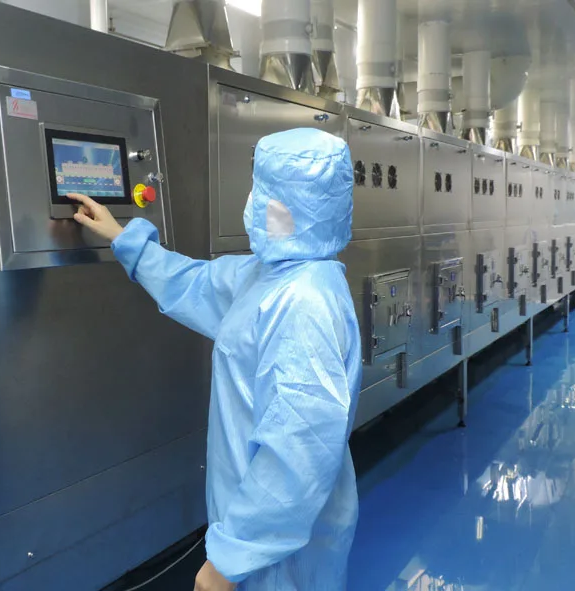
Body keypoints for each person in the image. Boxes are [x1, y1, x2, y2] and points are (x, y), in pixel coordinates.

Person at [69, 127, 362, 591]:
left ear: (283, 207)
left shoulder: (304, 302)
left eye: (261, 190)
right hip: (260, 530)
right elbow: (195, 283)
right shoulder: (271, 276)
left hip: (276, 552)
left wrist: (229, 559)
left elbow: (299, 449)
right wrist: (124, 238)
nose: (252, 201)